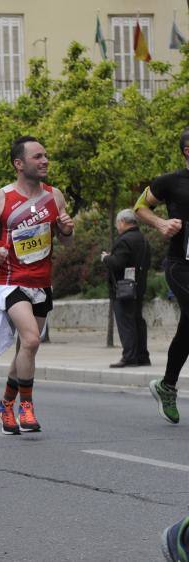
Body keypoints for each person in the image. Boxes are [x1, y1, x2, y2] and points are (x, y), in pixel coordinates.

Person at [0, 136, 74, 436]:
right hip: (11, 282)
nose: (45, 161)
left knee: (24, 351)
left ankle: (4, 405)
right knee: (30, 341)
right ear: (19, 164)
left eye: (45, 156)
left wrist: (67, 230)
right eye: (37, 157)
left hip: (42, 283)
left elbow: (66, 241)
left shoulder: (55, 197)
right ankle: (26, 406)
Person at [135, 127, 189, 425]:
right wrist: (160, 223)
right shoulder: (169, 182)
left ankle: (167, 386)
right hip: (181, 265)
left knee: (187, 331)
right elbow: (140, 207)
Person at [101, 209, 151, 369]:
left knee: (126, 322)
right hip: (139, 286)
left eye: (118, 224)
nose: (117, 227)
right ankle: (142, 356)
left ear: (122, 222)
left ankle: (129, 357)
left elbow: (117, 263)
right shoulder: (143, 239)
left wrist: (106, 258)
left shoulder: (124, 240)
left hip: (124, 289)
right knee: (137, 321)